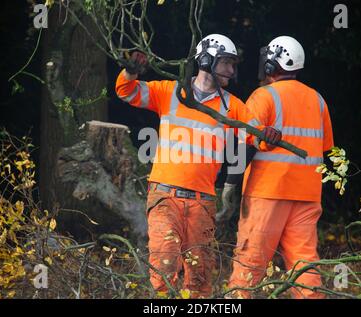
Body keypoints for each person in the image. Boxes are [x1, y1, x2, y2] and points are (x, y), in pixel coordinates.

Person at [115, 34, 281, 298]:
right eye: (226, 63)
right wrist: (130, 71)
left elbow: (255, 136)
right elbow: (127, 91)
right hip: (164, 197)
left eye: (233, 64)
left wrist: (268, 137)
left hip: (203, 202)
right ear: (205, 60)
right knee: (163, 268)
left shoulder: (231, 106)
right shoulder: (171, 91)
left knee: (200, 278)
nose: (231, 70)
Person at [223, 36, 334, 299]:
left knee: (250, 261)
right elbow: (327, 148)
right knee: (304, 264)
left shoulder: (264, 96)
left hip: (267, 193)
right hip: (307, 195)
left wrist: (230, 185)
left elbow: (244, 142)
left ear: (272, 65)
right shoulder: (318, 100)